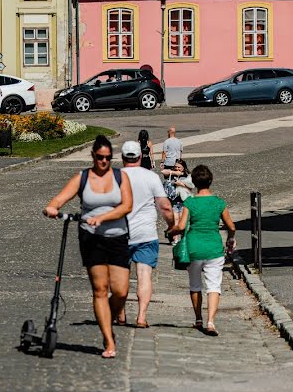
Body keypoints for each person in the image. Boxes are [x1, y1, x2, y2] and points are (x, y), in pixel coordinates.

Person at [44, 135, 132, 358]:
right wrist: (51, 208)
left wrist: (103, 217)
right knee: (100, 289)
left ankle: (107, 321)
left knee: (121, 291)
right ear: (93, 156)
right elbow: (58, 200)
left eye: (108, 158)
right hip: (91, 238)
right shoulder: (82, 177)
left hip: (118, 237)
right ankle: (108, 339)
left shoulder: (121, 177)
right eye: (100, 157)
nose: (104, 162)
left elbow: (126, 206)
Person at [170, 165, 236, 336]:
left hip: (194, 248)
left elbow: (182, 226)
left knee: (195, 285)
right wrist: (230, 238)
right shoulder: (219, 203)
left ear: (194, 182)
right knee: (214, 286)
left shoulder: (190, 202)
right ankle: (211, 322)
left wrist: (172, 231)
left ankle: (198, 318)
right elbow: (231, 226)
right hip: (213, 248)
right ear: (210, 181)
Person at [116, 140, 175, 328]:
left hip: (119, 233)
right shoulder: (150, 177)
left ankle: (121, 314)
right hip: (145, 233)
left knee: (119, 276)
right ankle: (141, 316)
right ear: (141, 157)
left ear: (122, 157)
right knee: (144, 276)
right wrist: (172, 226)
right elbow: (165, 206)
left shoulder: (114, 177)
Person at [161, 159, 193, 245]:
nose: (177, 168)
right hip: (173, 201)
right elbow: (163, 171)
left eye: (179, 167)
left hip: (184, 201)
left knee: (183, 221)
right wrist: (174, 173)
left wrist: (180, 183)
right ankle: (175, 239)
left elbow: (191, 188)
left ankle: (183, 239)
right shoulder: (171, 174)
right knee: (175, 220)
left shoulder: (187, 176)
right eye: (176, 167)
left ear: (183, 167)